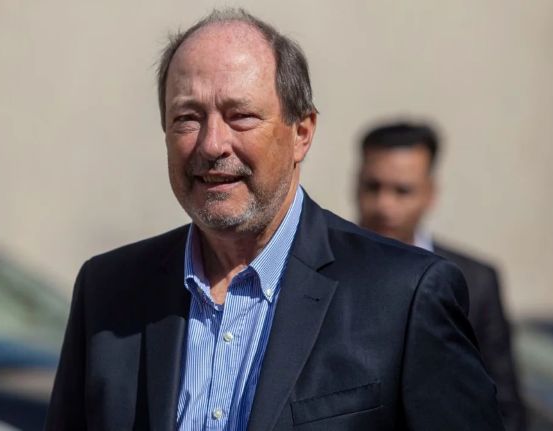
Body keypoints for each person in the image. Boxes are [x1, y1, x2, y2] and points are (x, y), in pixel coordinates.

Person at [46, 9, 504, 431]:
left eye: (240, 116)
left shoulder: (403, 295)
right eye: (187, 117)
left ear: (302, 133)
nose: (212, 144)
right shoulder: (109, 292)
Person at [355, 122, 525, 431]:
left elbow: (504, 405)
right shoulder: (321, 265)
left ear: (430, 193)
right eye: (373, 187)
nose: (384, 205)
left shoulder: (475, 282)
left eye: (402, 190)